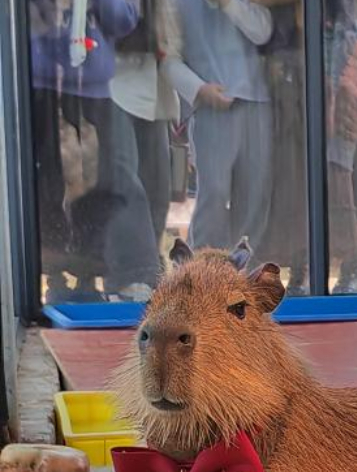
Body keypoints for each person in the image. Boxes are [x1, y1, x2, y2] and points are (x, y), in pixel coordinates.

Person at [258, 0, 357, 294]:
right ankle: (301, 266)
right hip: (291, 66)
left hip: (338, 61)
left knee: (342, 167)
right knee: (294, 173)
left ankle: (352, 266)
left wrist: (336, 84)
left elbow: (346, 20)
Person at [30, 0, 140, 303]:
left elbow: (125, 20)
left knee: (97, 181)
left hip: (94, 87)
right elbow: (29, 21)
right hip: (45, 83)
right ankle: (53, 273)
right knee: (50, 179)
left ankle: (89, 274)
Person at [163, 0, 273, 252]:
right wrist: (198, 89)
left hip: (257, 101)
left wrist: (230, 4)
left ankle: (243, 275)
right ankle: (200, 275)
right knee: (213, 192)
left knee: (255, 194)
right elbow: (168, 58)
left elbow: (263, 31)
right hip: (210, 107)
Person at [106, 0, 181, 300]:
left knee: (156, 188)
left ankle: (149, 274)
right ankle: (130, 275)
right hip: (112, 79)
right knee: (125, 182)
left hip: (157, 82)